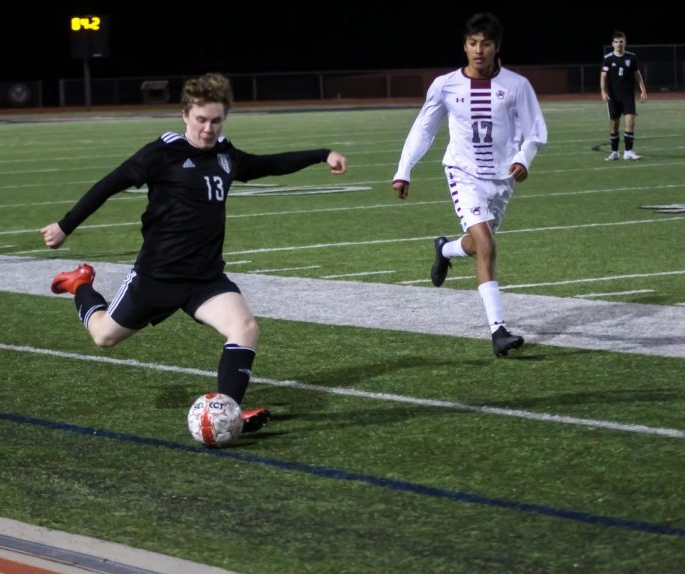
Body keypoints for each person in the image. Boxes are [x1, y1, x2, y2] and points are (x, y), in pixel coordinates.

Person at [41, 73, 348, 433]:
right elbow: (108, 185)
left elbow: (268, 164)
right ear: (185, 114)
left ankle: (229, 411)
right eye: (201, 120)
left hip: (204, 279)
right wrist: (65, 225)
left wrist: (322, 154)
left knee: (245, 328)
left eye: (216, 121)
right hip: (156, 277)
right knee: (103, 337)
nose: (208, 129)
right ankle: (80, 285)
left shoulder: (226, 154)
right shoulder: (161, 153)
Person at [391, 12, 547, 357]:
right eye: (473, 43)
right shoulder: (445, 85)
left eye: (486, 43)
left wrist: (523, 158)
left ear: (497, 47)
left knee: (478, 247)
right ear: (464, 45)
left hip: (502, 178)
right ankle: (498, 331)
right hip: (463, 173)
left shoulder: (516, 85)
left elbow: (534, 131)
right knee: (487, 243)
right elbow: (424, 129)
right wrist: (404, 170)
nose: (479, 50)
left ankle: (445, 249)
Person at [600, 31, 647, 161]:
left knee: (630, 122)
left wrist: (643, 90)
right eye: (616, 42)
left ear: (625, 42)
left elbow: (637, 74)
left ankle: (628, 152)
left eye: (621, 41)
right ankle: (614, 152)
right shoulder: (608, 58)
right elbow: (603, 77)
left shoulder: (632, 57)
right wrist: (603, 92)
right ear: (612, 44)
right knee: (614, 124)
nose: (619, 44)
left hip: (628, 96)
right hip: (613, 97)